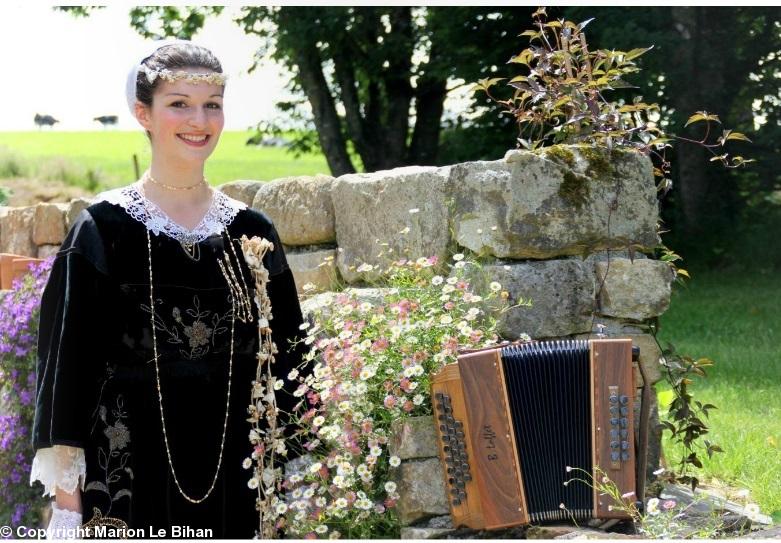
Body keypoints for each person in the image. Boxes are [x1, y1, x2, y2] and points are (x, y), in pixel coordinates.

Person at [29, 40, 309, 539]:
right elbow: (67, 368)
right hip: (124, 483)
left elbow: (291, 358)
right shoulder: (102, 229)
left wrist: (301, 474)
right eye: (178, 104)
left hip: (239, 483)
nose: (198, 120)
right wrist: (70, 511)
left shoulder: (252, 232)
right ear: (143, 113)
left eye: (212, 105)